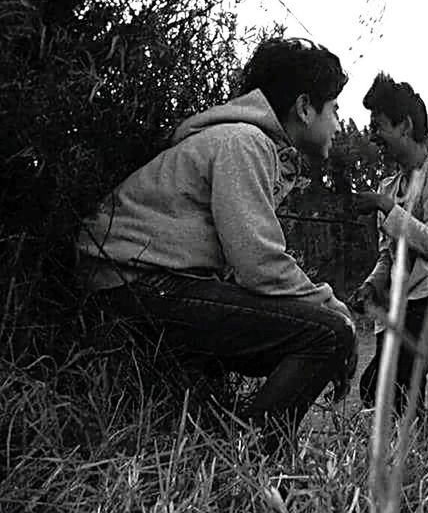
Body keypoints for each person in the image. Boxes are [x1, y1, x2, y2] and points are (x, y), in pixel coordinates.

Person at [76, 37, 358, 452]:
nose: (338, 123)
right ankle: (251, 458)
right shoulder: (244, 142)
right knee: (328, 334)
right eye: (334, 108)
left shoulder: (236, 140)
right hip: (138, 284)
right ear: (304, 107)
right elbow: (258, 263)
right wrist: (335, 311)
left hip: (127, 284)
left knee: (296, 332)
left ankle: (209, 440)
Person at [350, 72, 428, 417]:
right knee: (377, 390)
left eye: (380, 124)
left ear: (406, 125)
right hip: (395, 311)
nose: (374, 135)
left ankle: (426, 455)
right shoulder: (388, 185)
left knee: (394, 386)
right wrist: (371, 286)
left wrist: (388, 208)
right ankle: (424, 453)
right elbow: (389, 254)